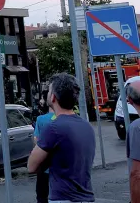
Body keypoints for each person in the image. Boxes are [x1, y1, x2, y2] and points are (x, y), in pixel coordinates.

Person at [28, 73, 95, 203]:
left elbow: (32, 166)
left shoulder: (53, 128)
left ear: (53, 97)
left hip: (63, 198)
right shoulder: (86, 126)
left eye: (49, 91)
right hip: (87, 197)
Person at [34, 105, 55, 203]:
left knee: (42, 195)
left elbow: (36, 141)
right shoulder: (65, 118)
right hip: (63, 165)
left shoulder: (41, 119)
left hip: (45, 163)